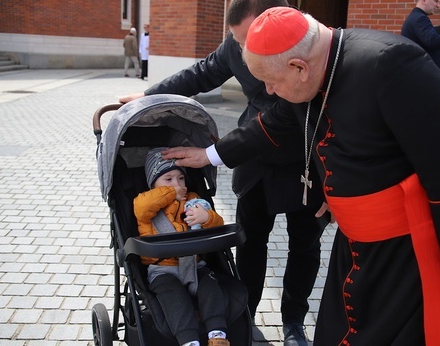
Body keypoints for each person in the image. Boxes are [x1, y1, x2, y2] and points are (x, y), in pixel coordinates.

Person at [162, 7, 440, 346]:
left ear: (299, 67)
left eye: (270, 81)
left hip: (411, 252)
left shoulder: (392, 64)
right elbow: (270, 126)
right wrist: (206, 155)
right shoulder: (314, 71)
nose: (267, 92)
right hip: (356, 246)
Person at [119, 1, 326, 345]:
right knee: (250, 242)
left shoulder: (306, 46)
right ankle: (245, 316)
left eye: (248, 40)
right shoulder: (235, 43)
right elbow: (201, 73)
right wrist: (146, 96)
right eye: (240, 42)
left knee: (305, 245)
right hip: (254, 159)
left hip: (302, 162)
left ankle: (293, 322)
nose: (245, 50)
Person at [134, 147, 229, 346]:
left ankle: (217, 335)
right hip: (163, 270)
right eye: (168, 179)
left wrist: (206, 217)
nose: (177, 184)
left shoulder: (193, 199)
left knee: (211, 288)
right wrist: (170, 193)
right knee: (174, 297)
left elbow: (217, 225)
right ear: (153, 184)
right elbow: (142, 208)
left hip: (195, 266)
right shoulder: (146, 203)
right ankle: (189, 341)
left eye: (181, 179)